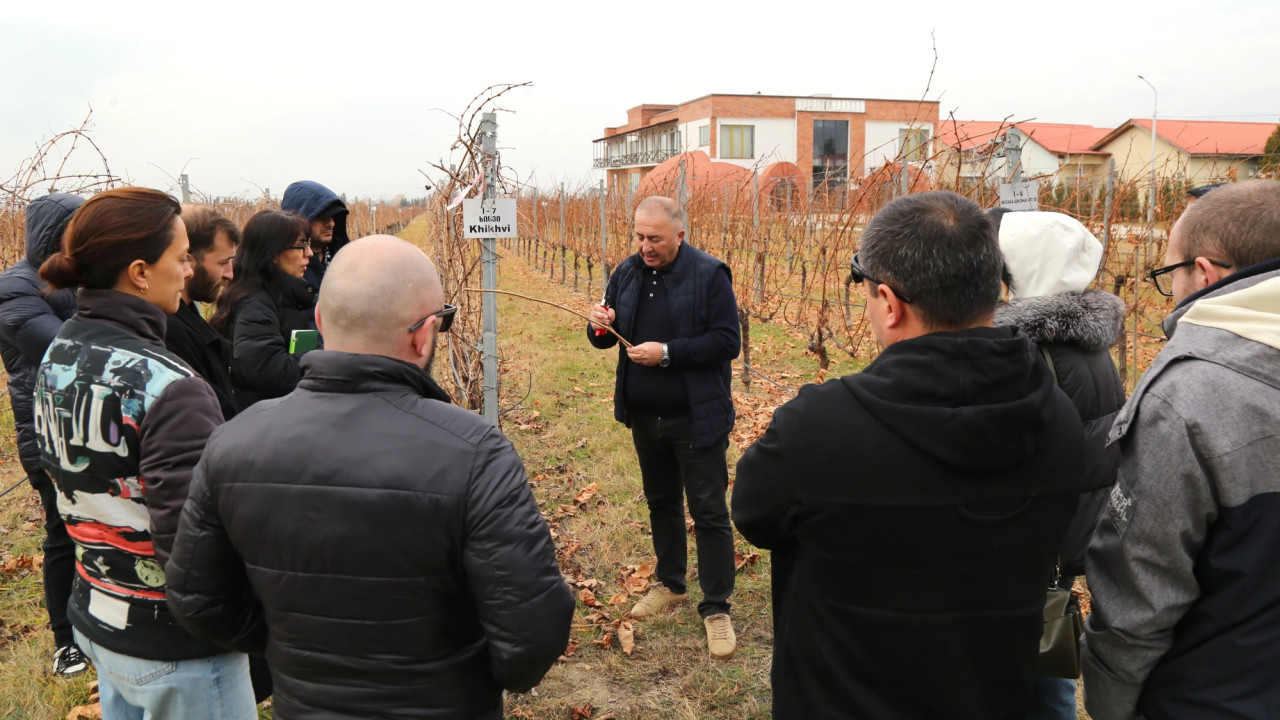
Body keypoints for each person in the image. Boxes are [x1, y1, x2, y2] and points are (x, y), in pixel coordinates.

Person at [165, 235, 574, 720]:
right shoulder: (474, 452)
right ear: (424, 335)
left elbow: (197, 599)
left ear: (319, 323)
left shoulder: (233, 442)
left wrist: (289, 645)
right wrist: (464, 672)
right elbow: (532, 633)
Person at [733, 191, 1089, 719]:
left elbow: (754, 516)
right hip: (994, 696)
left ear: (889, 302)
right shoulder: (1059, 419)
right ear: (993, 289)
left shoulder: (817, 430)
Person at [33, 187, 254, 719]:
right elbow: (195, 548)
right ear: (139, 272)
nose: (187, 272)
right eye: (180, 259)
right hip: (178, 649)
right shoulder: (170, 386)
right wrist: (253, 626)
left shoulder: (59, 355)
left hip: (100, 619)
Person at [1082, 179, 1280, 720]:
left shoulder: (1188, 397)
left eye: (1170, 274)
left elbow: (1141, 588)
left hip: (1212, 695)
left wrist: (1110, 699)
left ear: (1206, 273)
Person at [586, 195, 741, 659]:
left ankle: (716, 608)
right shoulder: (626, 273)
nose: (645, 246)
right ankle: (672, 583)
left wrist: (668, 353)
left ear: (680, 235)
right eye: (639, 235)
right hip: (644, 416)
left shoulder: (710, 275)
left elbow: (726, 341)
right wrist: (598, 325)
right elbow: (601, 338)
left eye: (654, 238)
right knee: (661, 502)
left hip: (695, 416)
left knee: (709, 511)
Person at [989, 209, 1126, 720]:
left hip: (1028, 537)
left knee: (1021, 659)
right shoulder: (1090, 347)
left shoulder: (1027, 353)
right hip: (1069, 533)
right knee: (1049, 650)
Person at [0, 193, 85, 676]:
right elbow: (60, 347)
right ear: (56, 234)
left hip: (90, 420)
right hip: (46, 428)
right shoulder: (13, 288)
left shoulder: (80, 278)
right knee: (61, 531)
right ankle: (65, 640)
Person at [210, 209, 317, 407]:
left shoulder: (286, 296)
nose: (309, 253)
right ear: (273, 254)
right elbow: (268, 371)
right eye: (301, 245)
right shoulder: (254, 305)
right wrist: (322, 353)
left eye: (308, 244)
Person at [165, 205, 240, 420]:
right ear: (188, 259)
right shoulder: (169, 331)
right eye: (223, 263)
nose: (230, 274)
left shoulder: (188, 318)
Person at [281, 180, 349, 291]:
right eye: (323, 217)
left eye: (334, 217)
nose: (331, 223)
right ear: (300, 219)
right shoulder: (287, 270)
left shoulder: (345, 259)